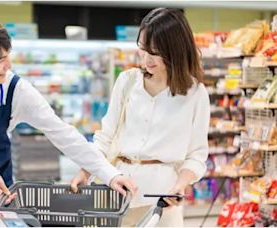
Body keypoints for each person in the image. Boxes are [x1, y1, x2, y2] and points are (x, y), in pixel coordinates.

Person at [0, 19, 137, 211]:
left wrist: (110, 174)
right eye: (0, 60)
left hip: (1, 198)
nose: (8, 65)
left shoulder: (15, 90)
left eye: (7, 56)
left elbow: (62, 133)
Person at [71, 8, 210, 226]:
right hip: (117, 190)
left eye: (155, 53)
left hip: (162, 197)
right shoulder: (127, 81)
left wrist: (181, 185)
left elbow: (197, 154)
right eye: (142, 50)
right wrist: (85, 169)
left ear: (175, 50)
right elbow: (105, 137)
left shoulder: (195, 93)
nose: (146, 60)